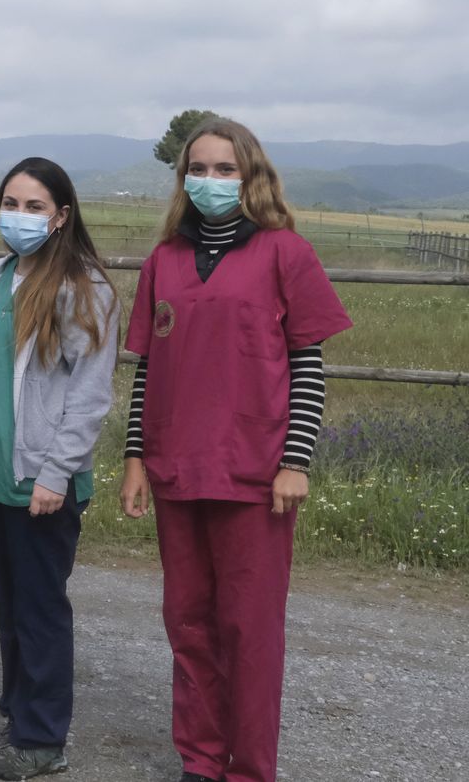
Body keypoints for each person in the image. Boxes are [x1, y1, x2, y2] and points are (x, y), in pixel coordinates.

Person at [120, 118, 352, 782]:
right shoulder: (164, 260)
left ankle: (249, 768)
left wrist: (296, 460)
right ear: (182, 177)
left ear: (253, 178)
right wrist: (136, 456)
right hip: (175, 467)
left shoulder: (285, 253)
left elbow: (308, 365)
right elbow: (148, 369)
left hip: (255, 474)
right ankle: (201, 757)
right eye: (199, 168)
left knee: (249, 634)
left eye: (227, 170)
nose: (211, 181)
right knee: (188, 622)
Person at [0, 157, 118, 778]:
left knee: (40, 605)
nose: (19, 217)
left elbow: (89, 394)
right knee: (9, 600)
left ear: (61, 217)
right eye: (11, 204)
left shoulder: (85, 288)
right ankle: (19, 710)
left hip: (40, 478)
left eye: (34, 207)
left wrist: (56, 473)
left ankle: (43, 738)